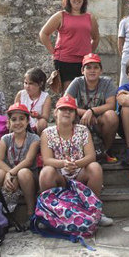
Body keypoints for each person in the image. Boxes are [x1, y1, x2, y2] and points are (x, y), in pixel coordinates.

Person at [40, 95, 113, 227]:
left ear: (75, 114)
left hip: (79, 172)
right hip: (59, 174)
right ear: (55, 112)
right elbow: (46, 159)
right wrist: (63, 164)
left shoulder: (82, 130)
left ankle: (94, 212)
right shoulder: (47, 133)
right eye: (63, 109)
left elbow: (91, 156)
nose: (67, 112)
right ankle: (50, 214)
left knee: (94, 167)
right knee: (46, 172)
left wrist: (75, 164)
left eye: (71, 110)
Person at [39, 0, 100, 90]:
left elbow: (96, 38)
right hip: (65, 61)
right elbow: (43, 34)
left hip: (84, 62)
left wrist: (89, 53)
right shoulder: (60, 16)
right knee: (69, 93)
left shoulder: (90, 17)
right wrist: (53, 52)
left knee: (84, 92)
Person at [65, 53, 120, 162]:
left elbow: (111, 105)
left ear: (101, 70)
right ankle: (71, 152)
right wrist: (86, 113)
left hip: (99, 121)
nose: (92, 70)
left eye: (96, 67)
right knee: (65, 115)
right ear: (82, 70)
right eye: (88, 67)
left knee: (112, 116)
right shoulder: (77, 82)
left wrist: (92, 111)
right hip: (81, 120)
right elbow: (65, 103)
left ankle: (105, 150)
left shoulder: (107, 82)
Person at [0, 103, 40, 217]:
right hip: (10, 173)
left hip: (28, 176)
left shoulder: (34, 139)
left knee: (23, 173)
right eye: (14, 119)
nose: (18, 123)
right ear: (9, 123)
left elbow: (28, 161)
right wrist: (9, 173)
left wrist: (11, 173)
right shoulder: (6, 139)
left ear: (27, 121)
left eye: (22, 119)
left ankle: (30, 211)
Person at [14, 67, 51, 134]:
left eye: (31, 84)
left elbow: (45, 117)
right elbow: (14, 111)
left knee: (42, 122)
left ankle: (40, 140)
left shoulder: (45, 97)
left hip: (36, 125)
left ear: (40, 84)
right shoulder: (21, 94)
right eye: (25, 83)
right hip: (22, 123)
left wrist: (37, 116)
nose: (27, 86)